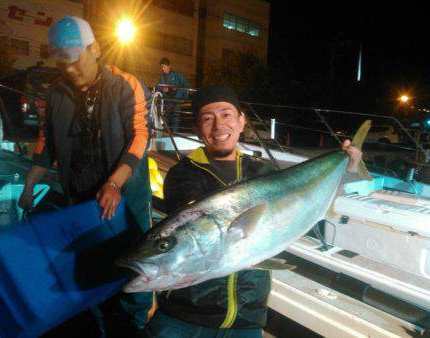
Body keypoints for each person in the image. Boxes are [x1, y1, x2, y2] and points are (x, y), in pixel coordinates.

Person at [144, 85, 362, 337]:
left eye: (226, 115)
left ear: (241, 122)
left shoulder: (263, 171)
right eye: (207, 118)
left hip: (246, 319)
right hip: (186, 317)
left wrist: (347, 169)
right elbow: (195, 236)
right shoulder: (183, 173)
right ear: (197, 129)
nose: (218, 126)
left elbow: (303, 202)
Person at [17, 16, 153, 336]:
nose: (70, 71)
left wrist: (115, 182)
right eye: (63, 64)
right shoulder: (55, 92)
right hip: (80, 198)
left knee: (134, 265)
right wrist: (31, 180)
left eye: (75, 62)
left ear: (95, 49)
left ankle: (131, 326)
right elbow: (47, 139)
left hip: (125, 195)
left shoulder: (126, 85)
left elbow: (139, 137)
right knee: (91, 266)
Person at [157, 57, 189, 132]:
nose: (162, 69)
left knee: (175, 120)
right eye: (161, 67)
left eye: (164, 66)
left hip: (176, 101)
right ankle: (166, 135)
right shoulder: (161, 77)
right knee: (166, 120)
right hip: (166, 101)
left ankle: (174, 135)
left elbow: (186, 85)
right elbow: (159, 88)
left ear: (169, 66)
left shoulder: (177, 75)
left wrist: (184, 97)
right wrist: (162, 90)